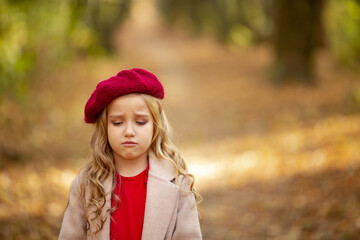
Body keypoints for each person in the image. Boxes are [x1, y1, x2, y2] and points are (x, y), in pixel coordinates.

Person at [58, 68, 202, 240]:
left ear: (156, 126)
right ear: (105, 128)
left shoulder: (178, 181)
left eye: (140, 122)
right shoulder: (87, 182)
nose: (129, 131)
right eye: (117, 123)